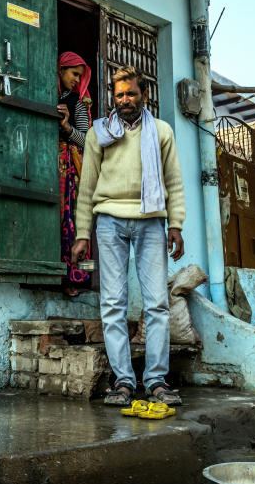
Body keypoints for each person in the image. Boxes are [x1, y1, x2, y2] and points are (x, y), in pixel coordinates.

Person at [71, 65, 185, 406]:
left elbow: (174, 183)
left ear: (144, 95)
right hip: (108, 222)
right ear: (113, 98)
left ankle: (155, 380)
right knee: (112, 303)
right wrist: (82, 233)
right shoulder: (98, 133)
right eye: (119, 95)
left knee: (157, 305)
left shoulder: (162, 131)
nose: (125, 100)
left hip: (151, 222)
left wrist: (175, 224)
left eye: (131, 93)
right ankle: (122, 381)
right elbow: (87, 186)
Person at [57, 52, 94, 297]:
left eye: (81, 76)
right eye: (74, 74)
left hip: (73, 173)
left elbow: (88, 140)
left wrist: (67, 128)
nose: (77, 80)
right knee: (55, 222)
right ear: (61, 70)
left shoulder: (78, 105)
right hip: (53, 170)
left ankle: (80, 279)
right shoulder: (46, 96)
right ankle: (53, 276)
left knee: (74, 223)